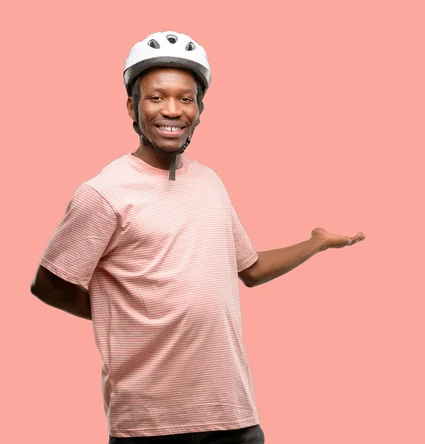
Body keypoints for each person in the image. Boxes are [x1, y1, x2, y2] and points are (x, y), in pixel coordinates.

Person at [30, 30, 365, 444]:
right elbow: (49, 284)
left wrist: (317, 241)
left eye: (185, 99)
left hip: (234, 416)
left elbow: (251, 269)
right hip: (151, 424)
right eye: (156, 97)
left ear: (199, 110)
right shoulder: (104, 193)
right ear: (132, 107)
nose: (172, 110)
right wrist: (129, 317)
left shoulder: (210, 182)